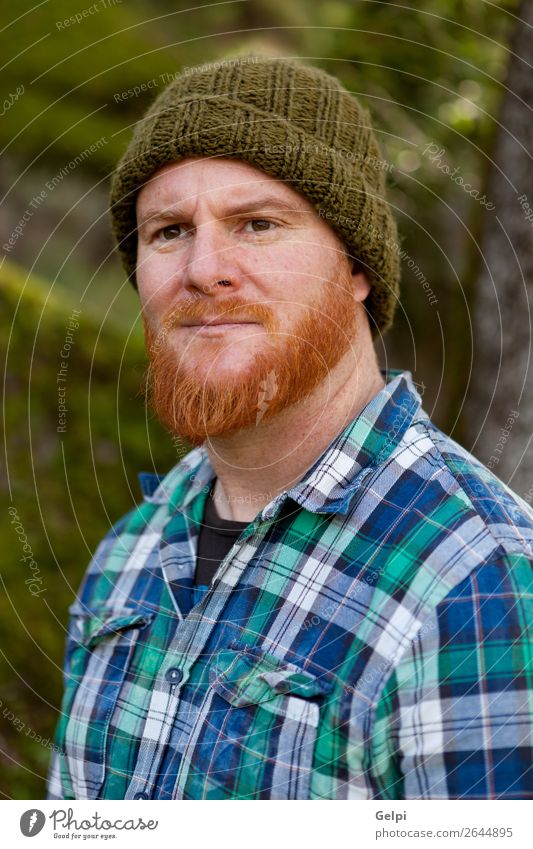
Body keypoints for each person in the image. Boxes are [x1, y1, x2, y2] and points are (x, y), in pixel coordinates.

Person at [47, 56, 533, 801]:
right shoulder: (132, 551)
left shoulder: (475, 577)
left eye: (258, 224)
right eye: (169, 231)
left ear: (356, 265)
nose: (205, 269)